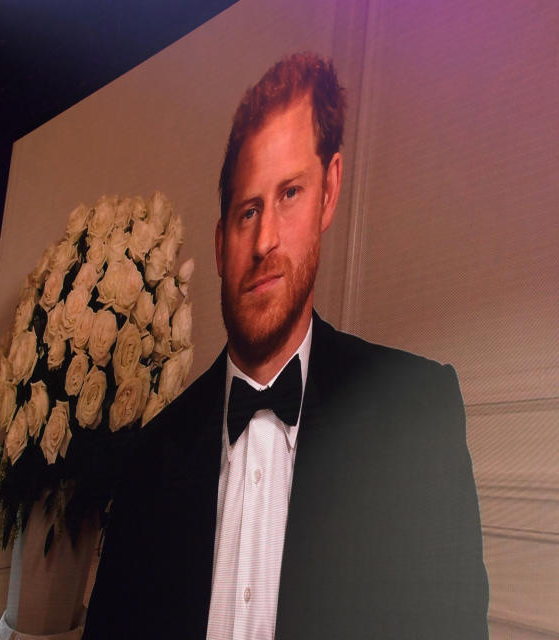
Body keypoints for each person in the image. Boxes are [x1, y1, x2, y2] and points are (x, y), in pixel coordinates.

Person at [83, 52, 489, 639]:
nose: (265, 239)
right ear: (220, 245)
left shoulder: (416, 412)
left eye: (290, 194)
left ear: (329, 193)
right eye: (248, 211)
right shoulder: (150, 457)